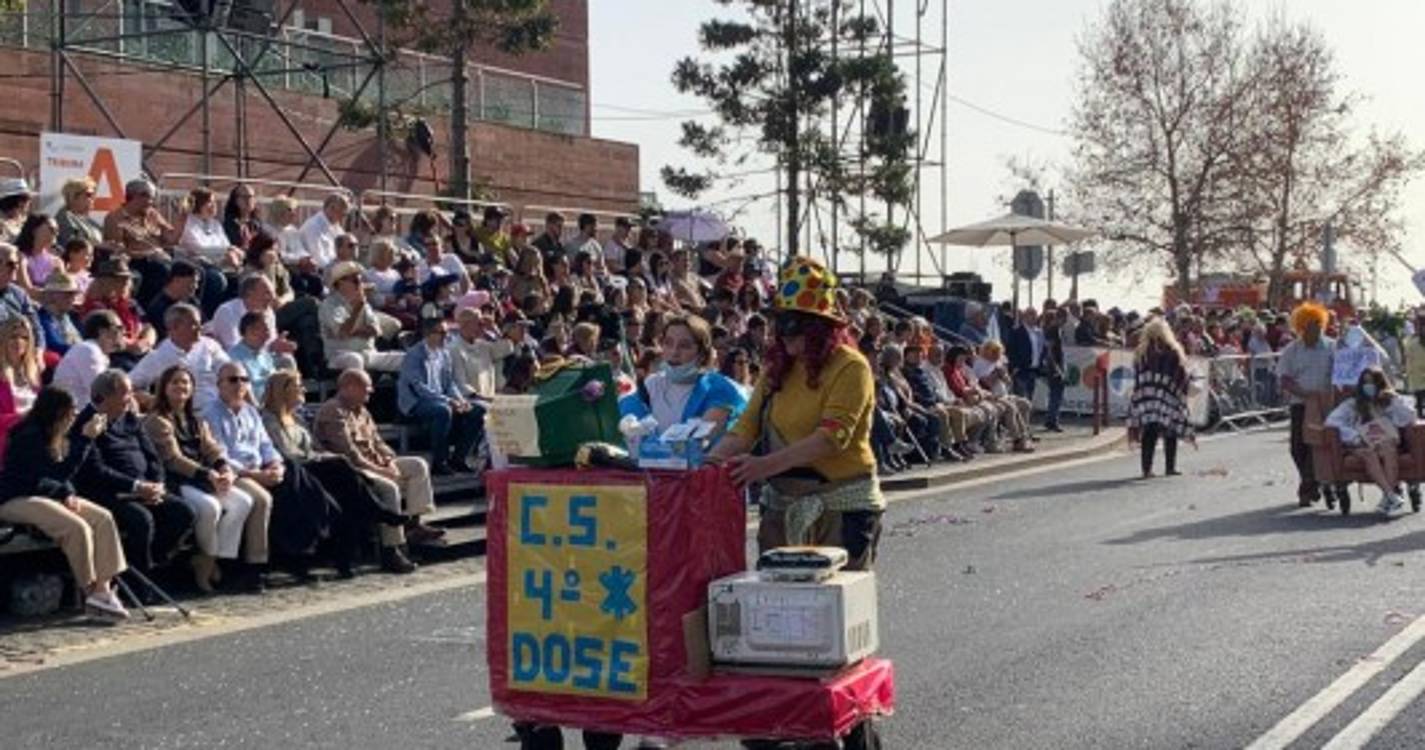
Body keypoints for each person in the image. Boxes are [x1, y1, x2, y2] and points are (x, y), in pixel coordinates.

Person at [707, 257, 884, 570]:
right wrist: (706, 467)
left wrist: (763, 466)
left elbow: (831, 439)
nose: (784, 333)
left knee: (832, 607)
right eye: (780, 323)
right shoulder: (777, 370)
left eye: (795, 324)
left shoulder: (850, 367)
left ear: (819, 328)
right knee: (778, 608)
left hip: (839, 509)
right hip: (781, 505)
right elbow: (744, 431)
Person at [261, 369, 415, 576]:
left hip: (313, 466)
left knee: (348, 490)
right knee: (342, 467)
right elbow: (287, 453)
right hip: (294, 471)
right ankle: (377, 511)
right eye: (298, 386)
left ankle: (347, 556)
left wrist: (323, 456)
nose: (303, 389)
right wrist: (322, 457)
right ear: (284, 390)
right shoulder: (269, 418)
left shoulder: (296, 417)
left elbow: (315, 447)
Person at [0, 387, 130, 619]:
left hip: (47, 493)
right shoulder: (29, 436)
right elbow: (49, 474)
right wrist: (86, 439)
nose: (74, 416)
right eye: (71, 411)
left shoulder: (58, 435)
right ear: (57, 412)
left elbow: (62, 478)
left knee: (103, 518)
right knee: (76, 528)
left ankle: (104, 587)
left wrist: (67, 493)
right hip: (16, 497)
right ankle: (89, 590)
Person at [203, 361, 336, 578]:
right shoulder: (211, 414)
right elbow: (220, 454)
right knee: (263, 498)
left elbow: (267, 446)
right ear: (219, 385)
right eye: (232, 380)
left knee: (294, 479)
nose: (239, 384)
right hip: (234, 473)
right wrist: (256, 475)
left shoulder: (250, 413)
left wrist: (275, 465)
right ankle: (256, 564)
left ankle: (300, 553)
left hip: (260, 469)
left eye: (244, 379)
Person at [143, 365, 265, 593]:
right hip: (177, 481)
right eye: (175, 382)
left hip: (204, 477)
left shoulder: (196, 420)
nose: (181, 386)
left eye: (186, 382)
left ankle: (216, 561)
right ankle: (206, 557)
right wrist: (207, 474)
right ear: (164, 388)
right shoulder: (157, 421)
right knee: (210, 508)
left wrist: (224, 469)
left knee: (243, 502)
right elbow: (173, 459)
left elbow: (212, 450)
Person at [74, 370, 196, 580]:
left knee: (183, 513)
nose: (131, 398)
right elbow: (96, 470)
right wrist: (136, 486)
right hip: (109, 492)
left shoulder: (129, 418)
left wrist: (157, 483)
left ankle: (151, 566)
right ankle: (140, 580)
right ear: (106, 397)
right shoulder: (86, 423)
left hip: (144, 488)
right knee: (141, 520)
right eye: (125, 393)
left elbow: (151, 455)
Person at [314, 369, 445, 557]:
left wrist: (389, 461)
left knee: (417, 465)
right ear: (349, 387)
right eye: (366, 387)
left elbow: (378, 442)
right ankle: (393, 547)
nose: (371, 391)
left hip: (374, 464)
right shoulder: (333, 410)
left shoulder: (362, 411)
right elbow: (349, 453)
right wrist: (381, 471)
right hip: (352, 470)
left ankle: (413, 525)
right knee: (389, 487)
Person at [620, 313, 746, 434]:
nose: (674, 352)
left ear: (702, 354)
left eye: (684, 346)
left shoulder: (719, 389)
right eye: (668, 343)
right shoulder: (651, 384)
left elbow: (701, 442)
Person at [1325, 367, 1418, 514]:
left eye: (1373, 382)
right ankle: (1391, 495)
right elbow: (1331, 422)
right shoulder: (1353, 404)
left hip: (1386, 443)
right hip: (1362, 445)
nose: (1369, 386)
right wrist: (1356, 436)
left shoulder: (1391, 401)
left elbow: (1409, 417)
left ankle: (1388, 497)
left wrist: (1393, 400)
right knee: (1369, 453)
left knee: (1389, 449)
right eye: (1366, 382)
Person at [398, 317, 483, 473]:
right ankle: (439, 461)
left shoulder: (444, 354)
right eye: (441, 333)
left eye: (447, 333)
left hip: (440, 399)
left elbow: (449, 383)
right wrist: (449, 401)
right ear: (428, 334)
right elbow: (419, 388)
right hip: (416, 402)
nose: (446, 337)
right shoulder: (414, 355)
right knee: (443, 410)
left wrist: (461, 400)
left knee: (478, 410)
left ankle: (459, 458)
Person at [1277, 302, 1336, 507]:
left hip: (1326, 405)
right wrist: (1304, 393)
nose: (1316, 328)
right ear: (1301, 327)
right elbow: (1284, 379)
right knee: (1297, 447)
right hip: (1301, 404)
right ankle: (1312, 482)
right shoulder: (1291, 350)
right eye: (1311, 325)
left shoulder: (1332, 347)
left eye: (1318, 324)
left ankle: (1308, 487)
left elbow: (1342, 373)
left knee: (1317, 445)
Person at [129, 303, 232, 407]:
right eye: (194, 324)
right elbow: (129, 385)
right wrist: (155, 401)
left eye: (199, 323)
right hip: (187, 415)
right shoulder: (159, 356)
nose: (200, 328)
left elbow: (231, 371)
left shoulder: (210, 345)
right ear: (174, 328)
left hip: (221, 408)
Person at [1130, 318, 1195, 479]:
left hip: (1146, 395)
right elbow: (1180, 373)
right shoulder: (1172, 350)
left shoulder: (1142, 351)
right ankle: (1170, 467)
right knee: (1170, 429)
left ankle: (1146, 469)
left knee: (1149, 430)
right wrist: (1182, 390)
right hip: (1167, 394)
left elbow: (1137, 373)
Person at [319, 261, 404, 372]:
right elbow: (344, 332)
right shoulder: (330, 304)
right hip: (339, 355)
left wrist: (354, 330)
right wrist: (358, 310)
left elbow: (376, 331)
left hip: (368, 353)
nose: (359, 283)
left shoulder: (364, 304)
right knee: (355, 359)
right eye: (355, 280)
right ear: (340, 283)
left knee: (404, 358)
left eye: (359, 280)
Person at [102, 178, 177, 305]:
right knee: (161, 270)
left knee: (192, 270)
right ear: (136, 197)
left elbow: (172, 238)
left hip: (159, 257)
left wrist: (183, 216)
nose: (152, 203)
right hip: (135, 261)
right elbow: (118, 251)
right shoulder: (115, 218)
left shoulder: (152, 214)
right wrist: (149, 254)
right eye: (150, 198)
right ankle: (156, 310)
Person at [78, 257, 155, 370]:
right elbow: (106, 337)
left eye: (126, 279)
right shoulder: (94, 306)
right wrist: (133, 346)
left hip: (140, 350)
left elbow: (148, 326)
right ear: (104, 282)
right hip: (115, 356)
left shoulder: (131, 303)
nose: (125, 283)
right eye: (118, 279)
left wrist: (146, 341)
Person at [176, 187, 239, 315]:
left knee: (240, 280)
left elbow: (225, 244)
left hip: (220, 263)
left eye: (214, 202)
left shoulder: (215, 224)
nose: (214, 206)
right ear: (198, 204)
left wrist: (230, 252)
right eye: (209, 202)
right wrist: (228, 251)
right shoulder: (188, 222)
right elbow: (199, 248)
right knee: (216, 279)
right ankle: (209, 315)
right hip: (198, 264)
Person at [54, 310, 124, 402]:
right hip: (73, 413)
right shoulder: (88, 350)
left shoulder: (96, 352)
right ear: (102, 332)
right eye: (119, 328)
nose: (122, 333)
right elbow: (102, 392)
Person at [0, 243, 45, 354]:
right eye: (10, 264)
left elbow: (36, 327)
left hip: (22, 353)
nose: (15, 268)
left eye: (17, 264)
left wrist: (39, 350)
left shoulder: (19, 294)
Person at [145, 260, 201, 341]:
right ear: (177, 280)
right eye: (192, 282)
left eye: (197, 283)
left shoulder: (192, 301)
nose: (196, 287)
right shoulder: (158, 308)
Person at [297, 193, 351, 273]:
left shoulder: (336, 227)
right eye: (343, 214)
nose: (343, 218)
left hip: (334, 270)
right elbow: (319, 259)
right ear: (332, 208)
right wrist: (340, 271)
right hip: (317, 272)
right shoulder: (313, 226)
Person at [36, 271, 83, 358]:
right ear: (51, 295)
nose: (72, 299)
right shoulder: (41, 320)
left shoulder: (73, 317)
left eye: (73, 295)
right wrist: (84, 351)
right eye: (67, 295)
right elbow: (55, 345)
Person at [15, 213, 61, 293]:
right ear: (35, 230)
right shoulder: (19, 257)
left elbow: (63, 291)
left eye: (57, 231)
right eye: (52, 229)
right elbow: (26, 290)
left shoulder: (56, 261)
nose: (56, 234)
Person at [1007, 307, 1045, 401]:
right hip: (1021, 370)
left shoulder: (1039, 332)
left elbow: (1043, 349)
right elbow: (1011, 350)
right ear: (1024, 317)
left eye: (1035, 315)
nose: (1033, 317)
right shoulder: (1016, 331)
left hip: (1034, 369)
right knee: (1021, 399)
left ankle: (1027, 416)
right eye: (1030, 315)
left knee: (1030, 397)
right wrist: (1015, 366)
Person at [54, 176, 104, 247]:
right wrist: (102, 246)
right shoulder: (64, 219)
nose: (92, 199)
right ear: (74, 197)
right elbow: (72, 246)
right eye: (88, 195)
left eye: (93, 195)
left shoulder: (85, 219)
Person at [223, 184, 263, 251]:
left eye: (251, 197)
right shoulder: (228, 224)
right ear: (236, 200)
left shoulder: (258, 224)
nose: (248, 200)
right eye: (244, 197)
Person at [0, 177, 32, 242]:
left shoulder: (23, 220)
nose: (29, 203)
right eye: (27, 200)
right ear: (20, 202)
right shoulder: (1, 222)